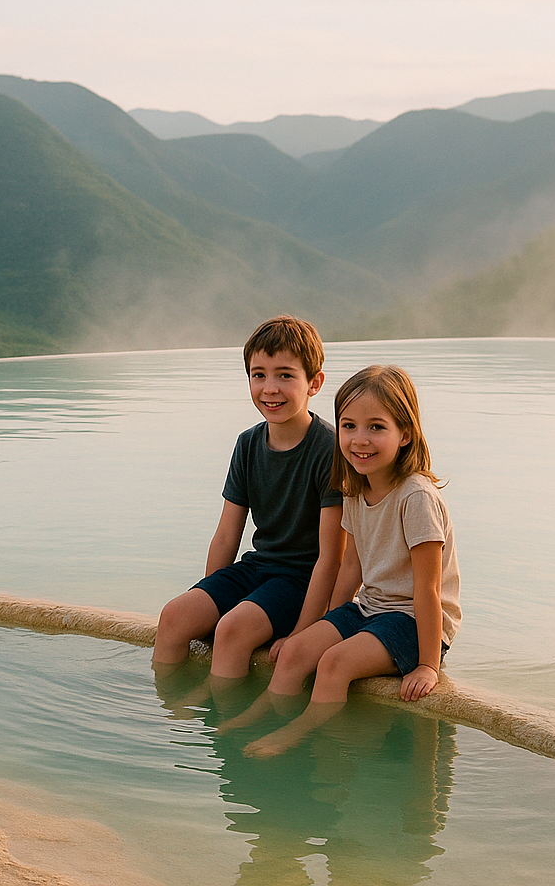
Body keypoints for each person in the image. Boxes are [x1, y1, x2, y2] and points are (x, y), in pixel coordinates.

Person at [229, 365, 462, 758]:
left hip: (415, 621)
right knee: (295, 652)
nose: (359, 440)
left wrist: (427, 666)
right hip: (370, 608)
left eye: (376, 427)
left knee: (334, 663)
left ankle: (297, 736)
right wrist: (328, 625)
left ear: (405, 434)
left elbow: (428, 589)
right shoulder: (355, 488)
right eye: (349, 426)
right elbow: (350, 568)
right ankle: (261, 714)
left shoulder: (416, 498)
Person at [152, 315, 345, 682]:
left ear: (314, 383)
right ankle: (171, 725)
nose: (270, 388)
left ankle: (222, 734)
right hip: (256, 569)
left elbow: (331, 558)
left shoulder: (330, 450)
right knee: (174, 616)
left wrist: (302, 633)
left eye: (285, 375)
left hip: (300, 581)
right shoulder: (248, 444)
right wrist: (212, 599)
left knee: (233, 631)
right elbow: (226, 536)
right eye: (259, 375)